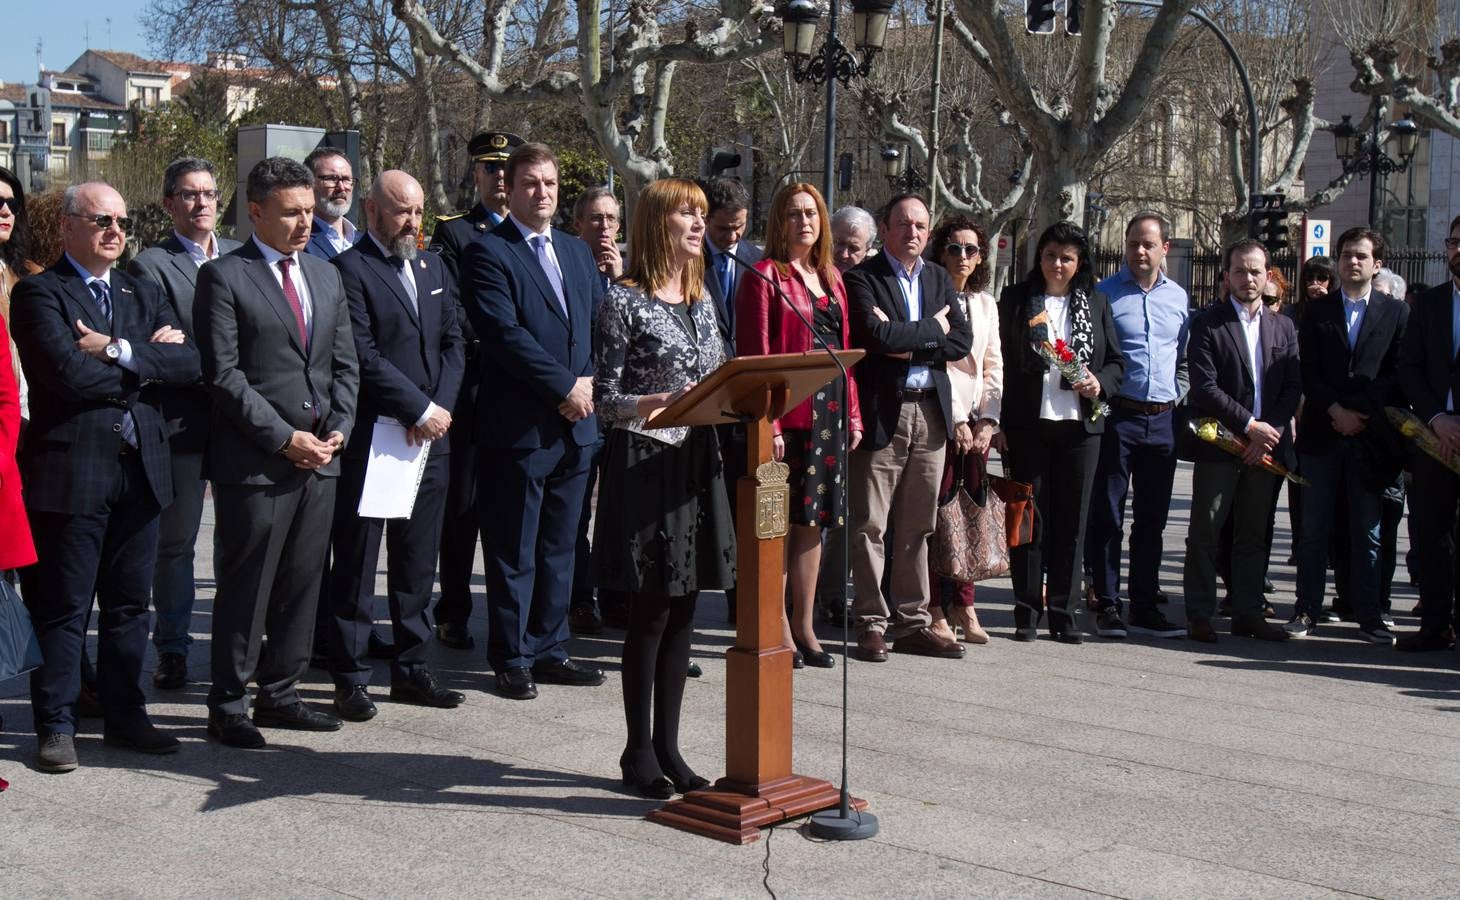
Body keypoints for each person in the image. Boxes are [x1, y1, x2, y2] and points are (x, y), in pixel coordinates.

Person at [11, 181, 201, 772]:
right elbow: (66, 376)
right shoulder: (41, 294)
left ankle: (126, 714)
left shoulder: (141, 288)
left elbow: (191, 363)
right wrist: (146, 360)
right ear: (68, 227)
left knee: (127, 605)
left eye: (121, 221)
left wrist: (117, 350)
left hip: (141, 468)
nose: (114, 231)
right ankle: (57, 725)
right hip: (72, 471)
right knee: (66, 607)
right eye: (100, 221)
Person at [195, 157, 360, 748]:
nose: (305, 224)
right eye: (292, 213)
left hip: (322, 457)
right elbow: (225, 376)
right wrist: (283, 438)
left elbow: (344, 364)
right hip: (259, 463)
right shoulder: (224, 277)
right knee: (249, 586)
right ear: (256, 211)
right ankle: (229, 703)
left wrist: (338, 427)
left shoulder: (326, 275)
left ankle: (282, 693)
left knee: (303, 581)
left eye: (311, 212)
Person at [593, 177, 734, 797]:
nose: (700, 224)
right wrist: (659, 401)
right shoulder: (622, 301)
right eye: (688, 213)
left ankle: (672, 748)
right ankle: (637, 751)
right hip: (647, 462)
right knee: (650, 611)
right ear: (658, 223)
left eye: (703, 214)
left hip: (700, 462)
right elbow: (604, 399)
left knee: (685, 612)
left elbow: (724, 372)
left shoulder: (703, 298)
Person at [459, 142, 606, 700]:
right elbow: (503, 335)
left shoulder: (574, 249)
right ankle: (512, 654)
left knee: (560, 547)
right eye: (530, 184)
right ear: (510, 189)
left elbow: (592, 326)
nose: (541, 192)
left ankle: (550, 647)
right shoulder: (487, 252)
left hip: (576, 425)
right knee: (513, 549)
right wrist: (563, 387)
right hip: (519, 428)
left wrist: (585, 385)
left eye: (549, 183)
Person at [325, 170, 466, 721]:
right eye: (401, 210)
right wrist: (417, 408)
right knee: (358, 563)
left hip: (431, 439)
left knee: (417, 560)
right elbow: (361, 353)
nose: (412, 221)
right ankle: (351, 676)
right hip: (377, 437)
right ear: (372, 210)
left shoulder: (434, 267)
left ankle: (412, 668)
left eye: (417, 210)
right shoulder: (348, 270)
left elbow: (455, 341)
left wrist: (439, 411)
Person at [736, 182, 863, 669]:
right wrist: (767, 424)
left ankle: (806, 624)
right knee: (777, 526)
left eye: (811, 213)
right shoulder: (766, 276)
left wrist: (852, 411)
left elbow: (842, 355)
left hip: (829, 416)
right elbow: (756, 357)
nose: (804, 221)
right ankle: (778, 625)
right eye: (794, 213)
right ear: (778, 221)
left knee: (812, 525)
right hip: (786, 418)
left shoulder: (831, 277)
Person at [127, 157, 242, 689]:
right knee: (176, 543)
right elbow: (165, 345)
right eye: (189, 194)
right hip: (183, 423)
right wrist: (220, 367)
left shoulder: (245, 255)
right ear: (170, 203)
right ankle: (172, 646)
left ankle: (239, 645)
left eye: (210, 193)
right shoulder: (150, 265)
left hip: (244, 423)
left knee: (240, 542)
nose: (202, 203)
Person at [845, 194, 972, 661]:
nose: (913, 233)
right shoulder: (863, 277)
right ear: (885, 227)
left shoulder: (939, 277)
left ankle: (913, 622)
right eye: (903, 224)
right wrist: (929, 329)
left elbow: (960, 341)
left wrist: (908, 335)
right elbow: (873, 337)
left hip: (930, 414)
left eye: (920, 225)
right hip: (884, 413)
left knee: (918, 526)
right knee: (869, 525)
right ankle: (871, 622)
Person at [998, 222, 1124, 643]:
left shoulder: (1096, 302)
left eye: (1066, 258)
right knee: (1028, 519)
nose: (1057, 264)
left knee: (1073, 521)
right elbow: (999, 361)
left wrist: (1098, 382)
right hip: (1028, 424)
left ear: (1079, 262)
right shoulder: (1017, 300)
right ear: (1040, 257)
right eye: (1051, 255)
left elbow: (1118, 364)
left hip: (1080, 427)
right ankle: (1026, 611)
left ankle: (1064, 613)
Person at [427, 129, 523, 650]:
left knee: (513, 508)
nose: (500, 179)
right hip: (474, 389)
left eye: (508, 170)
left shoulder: (532, 234)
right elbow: (452, 309)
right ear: (477, 175)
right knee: (461, 511)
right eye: (491, 170)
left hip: (520, 390)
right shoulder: (455, 234)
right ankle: (454, 609)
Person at [1286, 231, 1407, 644]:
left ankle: (1369, 615)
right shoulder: (1316, 312)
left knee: (1367, 531)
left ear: (1377, 264)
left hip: (1370, 436)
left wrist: (1360, 412)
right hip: (1323, 432)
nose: (1351, 262)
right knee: (1314, 528)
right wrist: (1336, 410)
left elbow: (1397, 372)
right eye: (1345, 256)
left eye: (1361, 256)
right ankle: (1306, 609)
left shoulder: (1396, 313)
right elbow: (1308, 369)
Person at [1182, 239, 1300, 643]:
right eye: (1239, 271)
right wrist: (1250, 426)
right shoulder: (1208, 323)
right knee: (1206, 530)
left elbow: (1291, 385)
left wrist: (1270, 431)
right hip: (1221, 444)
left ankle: (1248, 611)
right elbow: (1205, 387)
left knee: (1253, 533)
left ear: (1268, 275)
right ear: (1227, 275)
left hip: (1265, 449)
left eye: (1255, 271)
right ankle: (1199, 612)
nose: (1247, 278)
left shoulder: (1283, 325)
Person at [1085, 212, 1188, 640]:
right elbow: (1091, 354)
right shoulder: (1104, 294)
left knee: (1152, 518)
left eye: (1148, 244)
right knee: (1107, 513)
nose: (1139, 252)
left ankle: (1145, 603)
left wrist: (1176, 394)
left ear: (1165, 248)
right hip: (1117, 416)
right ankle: (1108, 602)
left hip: (1162, 421)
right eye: (1133, 244)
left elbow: (1183, 358)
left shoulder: (1179, 298)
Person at [925, 214, 1001, 645]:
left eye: (971, 249)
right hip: (940, 417)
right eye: (954, 247)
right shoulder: (931, 297)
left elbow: (994, 365)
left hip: (978, 424)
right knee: (938, 515)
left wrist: (988, 419)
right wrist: (955, 419)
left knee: (972, 512)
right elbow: (938, 364)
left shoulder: (986, 303)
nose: (962, 256)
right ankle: (935, 606)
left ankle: (965, 604)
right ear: (941, 251)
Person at [1396, 214, 1460, 652]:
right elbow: (1409, 368)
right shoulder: (1431, 304)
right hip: (1435, 439)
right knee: (1432, 534)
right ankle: (1435, 624)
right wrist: (1438, 418)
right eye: (1455, 241)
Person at [568, 185, 625, 636]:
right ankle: (579, 600)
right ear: (578, 224)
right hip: (586, 406)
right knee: (577, 515)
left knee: (618, 512)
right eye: (595, 218)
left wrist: (622, 280)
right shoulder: (569, 267)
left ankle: (616, 597)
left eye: (610, 219)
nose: (603, 227)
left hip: (625, 412)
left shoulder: (630, 274)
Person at [819, 204, 877, 623]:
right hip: (819, 406)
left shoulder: (868, 284)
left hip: (863, 407)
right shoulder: (815, 280)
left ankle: (835, 594)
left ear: (868, 249)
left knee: (849, 511)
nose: (843, 253)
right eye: (837, 243)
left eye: (853, 247)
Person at [0, 167, 34, 421]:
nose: (6, 211)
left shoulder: (30, 274)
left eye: (13, 204)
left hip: (29, 415)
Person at [303, 146, 362, 259]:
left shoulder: (364, 242)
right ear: (309, 184)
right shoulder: (299, 241)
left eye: (346, 179)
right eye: (331, 179)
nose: (341, 187)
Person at [831, 206, 876, 273]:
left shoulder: (871, 282)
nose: (844, 254)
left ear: (866, 251)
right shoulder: (811, 278)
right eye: (840, 243)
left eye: (853, 248)